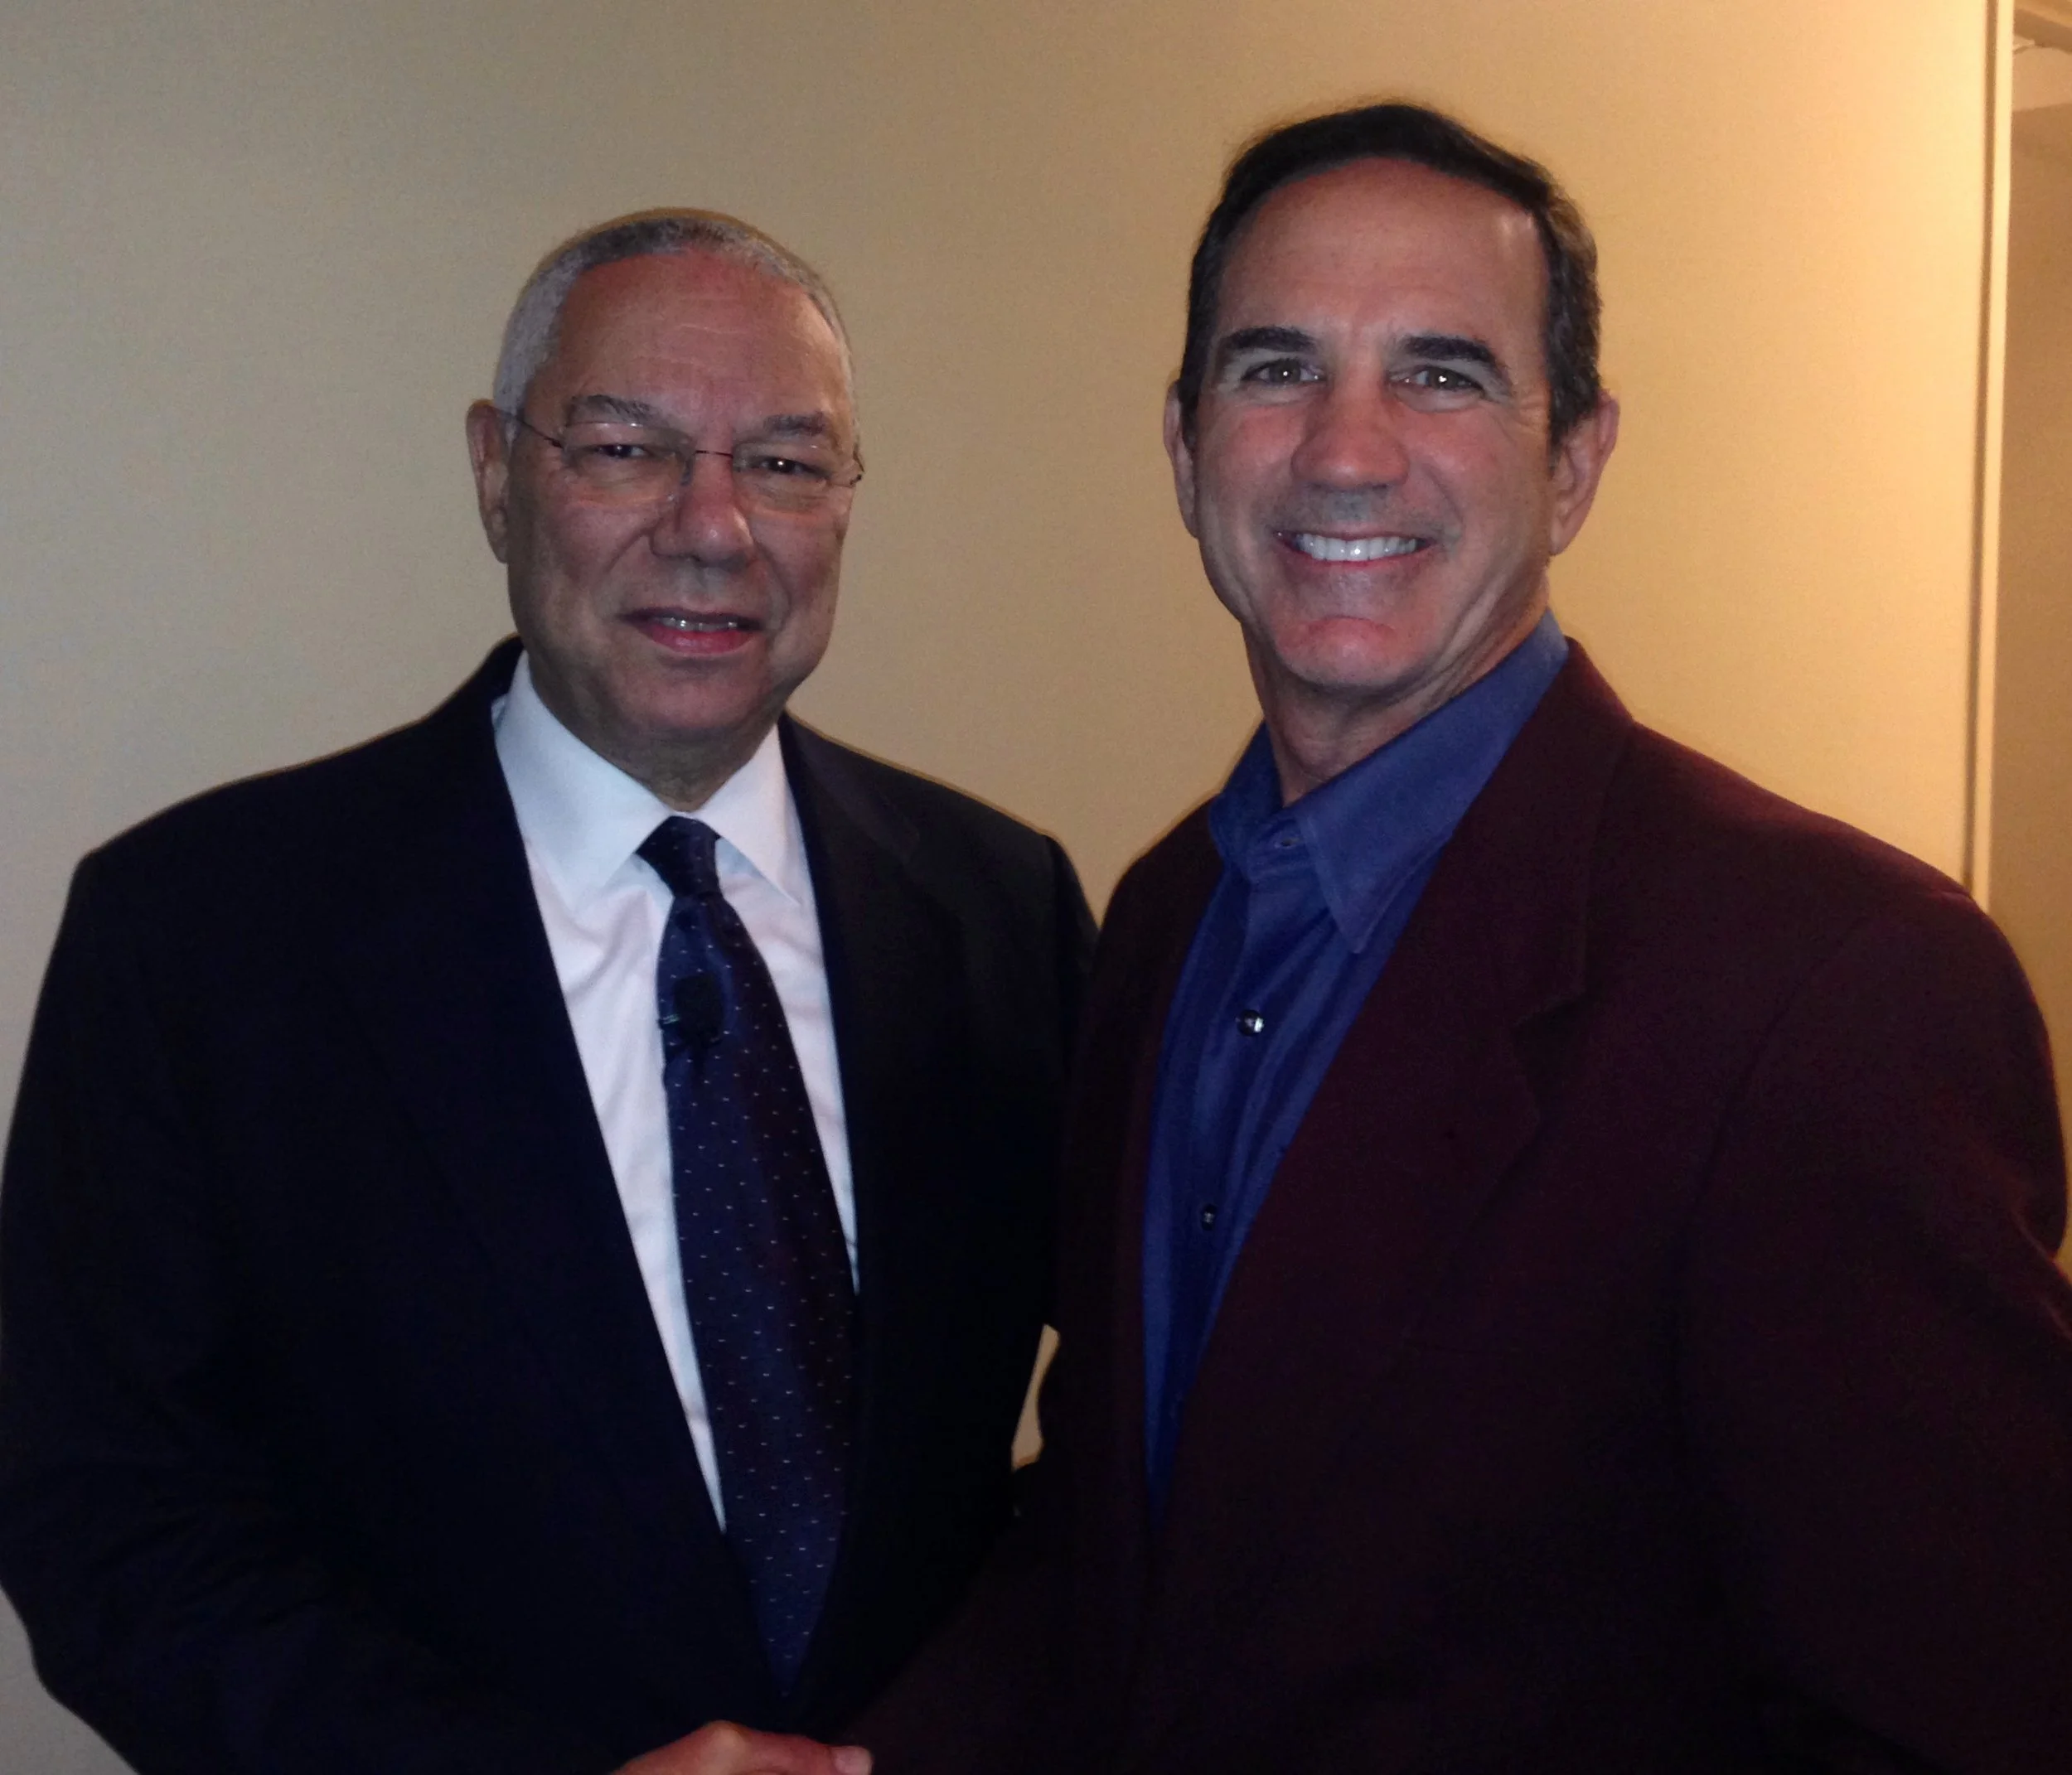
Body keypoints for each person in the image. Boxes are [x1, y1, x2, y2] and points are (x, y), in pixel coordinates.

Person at [855, 104, 2072, 1774]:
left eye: (1438, 373)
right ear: (1182, 443)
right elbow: (1121, 1527)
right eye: (1274, 368)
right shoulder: (1158, 919)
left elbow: (1957, 1720)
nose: (1345, 452)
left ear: (1569, 463)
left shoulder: (1830, 985)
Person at [0, 210, 1092, 1775]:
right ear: (498, 472)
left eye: (786, 461)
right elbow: (109, 1516)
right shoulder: (199, 938)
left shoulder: (1005, 909)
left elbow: (1118, 1441)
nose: (713, 526)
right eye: (626, 448)